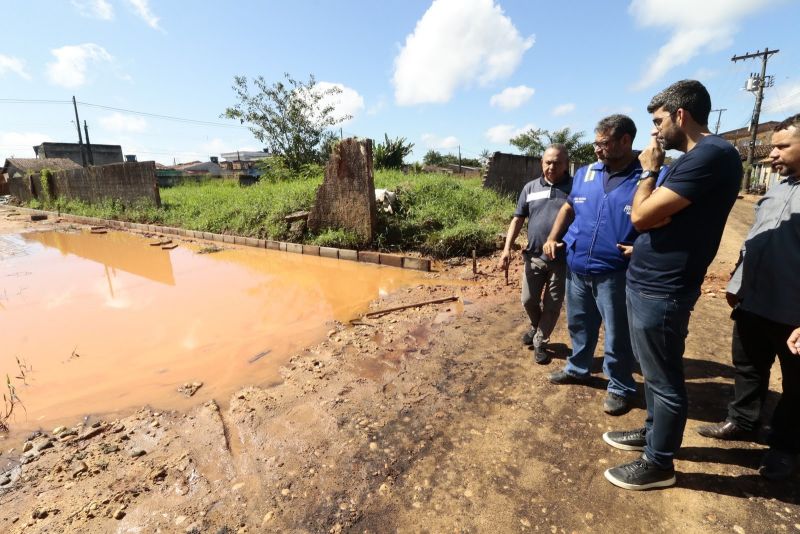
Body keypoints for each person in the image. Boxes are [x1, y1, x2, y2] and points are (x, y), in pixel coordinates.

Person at [603, 80, 742, 490]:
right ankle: (653, 433)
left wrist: (649, 171)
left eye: (658, 121)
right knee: (652, 370)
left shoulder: (712, 155)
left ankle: (659, 463)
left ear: (681, 116)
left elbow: (643, 216)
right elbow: (651, 217)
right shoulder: (693, 159)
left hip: (663, 288)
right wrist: (650, 219)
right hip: (647, 278)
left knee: (663, 378)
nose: (655, 132)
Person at [696, 114, 800, 481]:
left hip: (793, 311)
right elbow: (754, 240)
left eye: (781, 146)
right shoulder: (777, 188)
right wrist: (736, 282)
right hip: (754, 301)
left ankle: (785, 447)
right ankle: (742, 422)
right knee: (749, 367)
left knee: (796, 384)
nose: (771, 153)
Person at [543, 115, 654, 416]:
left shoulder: (648, 176)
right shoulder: (587, 173)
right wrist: (554, 236)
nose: (597, 150)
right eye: (596, 143)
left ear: (625, 141)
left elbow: (667, 215)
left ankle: (620, 386)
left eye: (603, 144)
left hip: (616, 271)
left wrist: (641, 246)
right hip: (578, 265)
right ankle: (578, 368)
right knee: (579, 323)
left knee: (617, 332)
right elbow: (569, 207)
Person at [498, 145, 572, 364]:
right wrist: (506, 250)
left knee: (552, 305)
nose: (552, 166)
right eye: (548, 162)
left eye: (557, 162)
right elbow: (518, 219)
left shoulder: (576, 188)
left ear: (566, 164)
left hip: (562, 260)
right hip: (534, 257)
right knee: (529, 300)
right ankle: (535, 325)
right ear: (542, 163)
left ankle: (541, 340)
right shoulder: (530, 188)